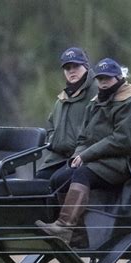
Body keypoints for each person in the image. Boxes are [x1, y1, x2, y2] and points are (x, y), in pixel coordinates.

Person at [36, 57, 131, 244]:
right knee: (59, 178)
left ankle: (64, 227)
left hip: (124, 163)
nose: (104, 83)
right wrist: (77, 155)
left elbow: (123, 142)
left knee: (82, 174)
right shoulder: (96, 101)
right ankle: (78, 233)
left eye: (108, 78)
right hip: (99, 160)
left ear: (118, 78)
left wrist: (86, 155)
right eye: (100, 79)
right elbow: (84, 136)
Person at [36, 47, 97, 179]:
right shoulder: (63, 99)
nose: (71, 71)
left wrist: (81, 152)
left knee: (58, 180)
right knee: (39, 180)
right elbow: (51, 125)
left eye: (76, 66)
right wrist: (55, 140)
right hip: (59, 158)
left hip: (87, 158)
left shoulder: (97, 92)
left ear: (86, 66)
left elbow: (100, 129)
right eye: (67, 68)